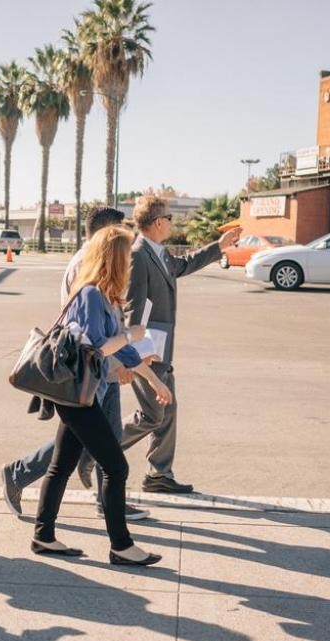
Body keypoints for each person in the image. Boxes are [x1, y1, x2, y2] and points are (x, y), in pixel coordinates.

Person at [32, 225, 171, 567]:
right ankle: (121, 546)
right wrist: (130, 334)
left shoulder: (107, 298)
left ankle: (43, 536)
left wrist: (155, 381)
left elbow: (123, 353)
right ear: (116, 258)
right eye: (128, 255)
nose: (131, 262)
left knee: (61, 464)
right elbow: (97, 347)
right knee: (116, 467)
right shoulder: (90, 295)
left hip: (83, 390)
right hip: (76, 393)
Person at [0, 206, 148, 521]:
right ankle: (20, 475)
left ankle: (103, 502)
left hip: (100, 368)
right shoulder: (88, 264)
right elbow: (89, 333)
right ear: (107, 234)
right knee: (85, 443)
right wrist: (118, 363)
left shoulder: (96, 262)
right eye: (120, 232)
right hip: (90, 371)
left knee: (98, 441)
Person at [116, 194, 240, 494]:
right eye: (170, 218)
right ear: (159, 222)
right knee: (153, 414)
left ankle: (159, 473)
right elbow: (134, 310)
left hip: (162, 347)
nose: (173, 222)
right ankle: (97, 445)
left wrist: (218, 247)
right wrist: (137, 358)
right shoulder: (139, 254)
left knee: (167, 408)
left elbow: (182, 266)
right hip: (149, 350)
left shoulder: (160, 252)